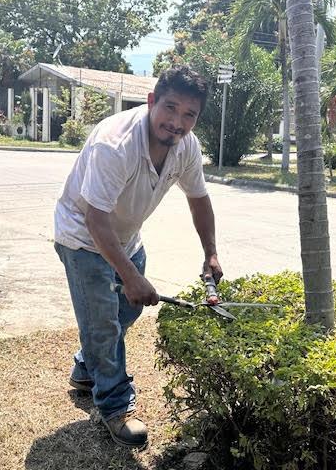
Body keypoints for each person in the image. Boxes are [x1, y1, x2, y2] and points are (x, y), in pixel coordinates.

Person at [53, 65, 223, 448]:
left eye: (189, 115)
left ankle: (85, 368)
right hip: (82, 238)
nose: (177, 122)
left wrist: (211, 253)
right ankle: (114, 408)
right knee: (103, 326)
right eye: (170, 108)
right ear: (151, 102)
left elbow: (199, 199)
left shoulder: (186, 147)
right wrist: (130, 277)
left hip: (125, 238)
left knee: (124, 313)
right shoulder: (115, 144)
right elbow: (95, 219)